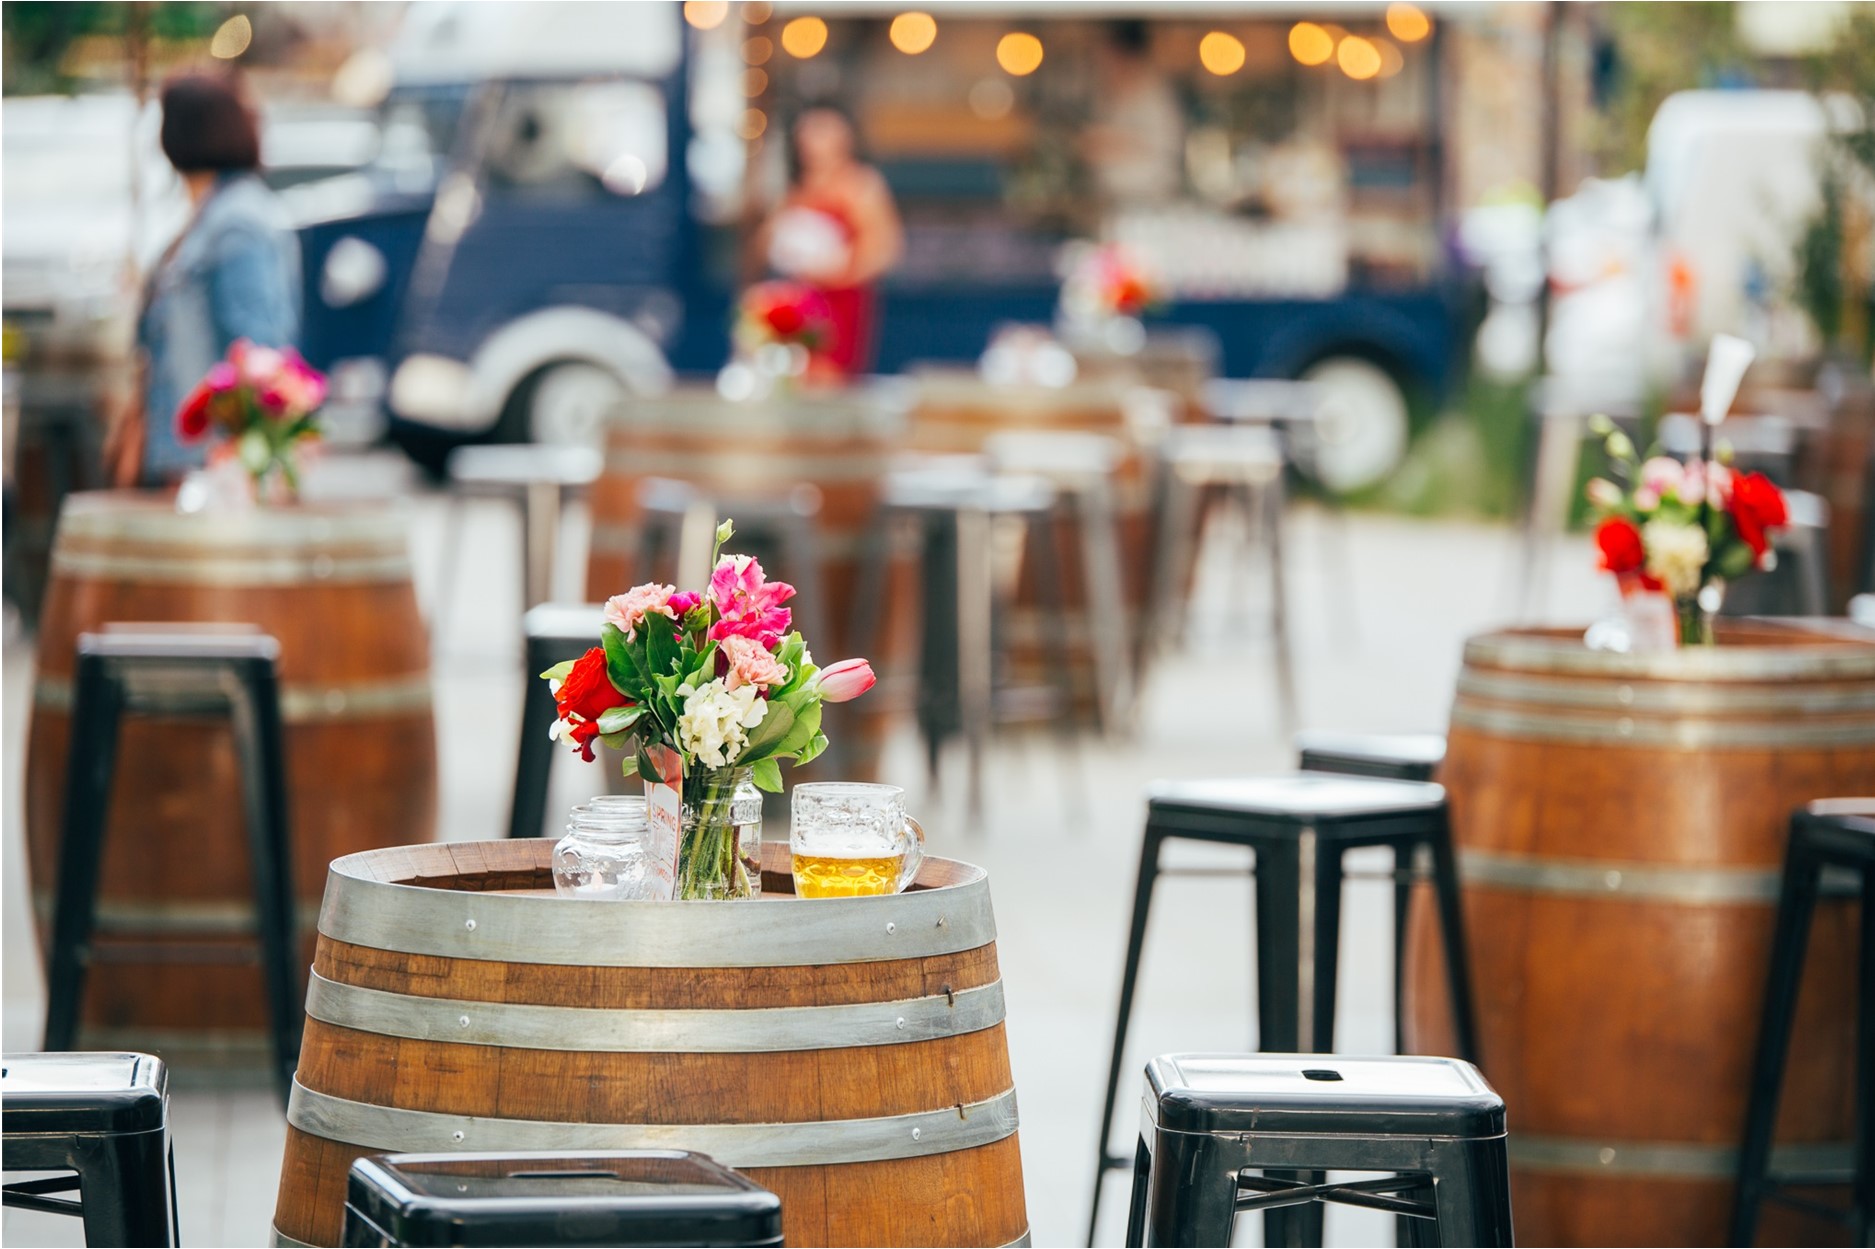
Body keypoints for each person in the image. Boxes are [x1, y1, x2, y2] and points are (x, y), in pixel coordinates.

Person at [108, 71, 301, 486]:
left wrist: (243, 464)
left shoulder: (237, 223)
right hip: (187, 459)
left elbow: (259, 356)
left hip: (212, 468)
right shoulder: (210, 217)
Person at [760, 107, 902, 378]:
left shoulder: (860, 184)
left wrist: (838, 268)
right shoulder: (797, 188)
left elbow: (885, 248)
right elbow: (768, 241)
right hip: (798, 302)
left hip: (840, 305)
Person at [1081, 20, 1184, 207]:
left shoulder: (1155, 97)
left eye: (1106, 56)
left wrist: (1103, 143)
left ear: (1123, 55)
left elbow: (1162, 150)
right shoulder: (1110, 96)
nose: (1102, 65)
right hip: (1114, 201)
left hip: (1149, 202)